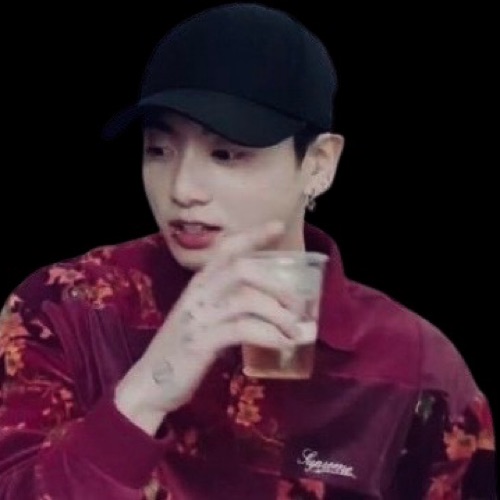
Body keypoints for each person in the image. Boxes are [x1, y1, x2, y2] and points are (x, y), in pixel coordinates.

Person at [0, 3, 496, 499]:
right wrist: (147, 389)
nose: (182, 189)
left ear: (319, 164)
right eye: (159, 150)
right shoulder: (65, 310)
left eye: (226, 154)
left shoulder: (414, 366)